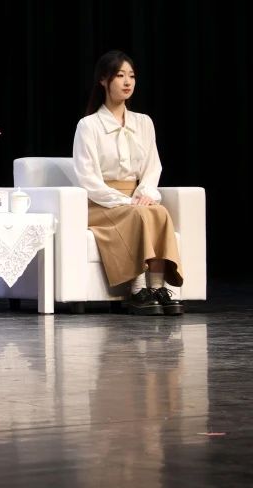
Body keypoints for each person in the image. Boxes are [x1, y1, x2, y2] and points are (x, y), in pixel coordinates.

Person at [73, 50, 183, 315]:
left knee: (159, 212)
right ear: (103, 80)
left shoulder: (143, 122)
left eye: (131, 76)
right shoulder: (89, 125)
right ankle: (137, 290)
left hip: (135, 198)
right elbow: (88, 179)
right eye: (120, 75)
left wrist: (145, 193)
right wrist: (126, 201)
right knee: (137, 214)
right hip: (101, 203)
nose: (127, 82)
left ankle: (157, 288)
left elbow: (153, 166)